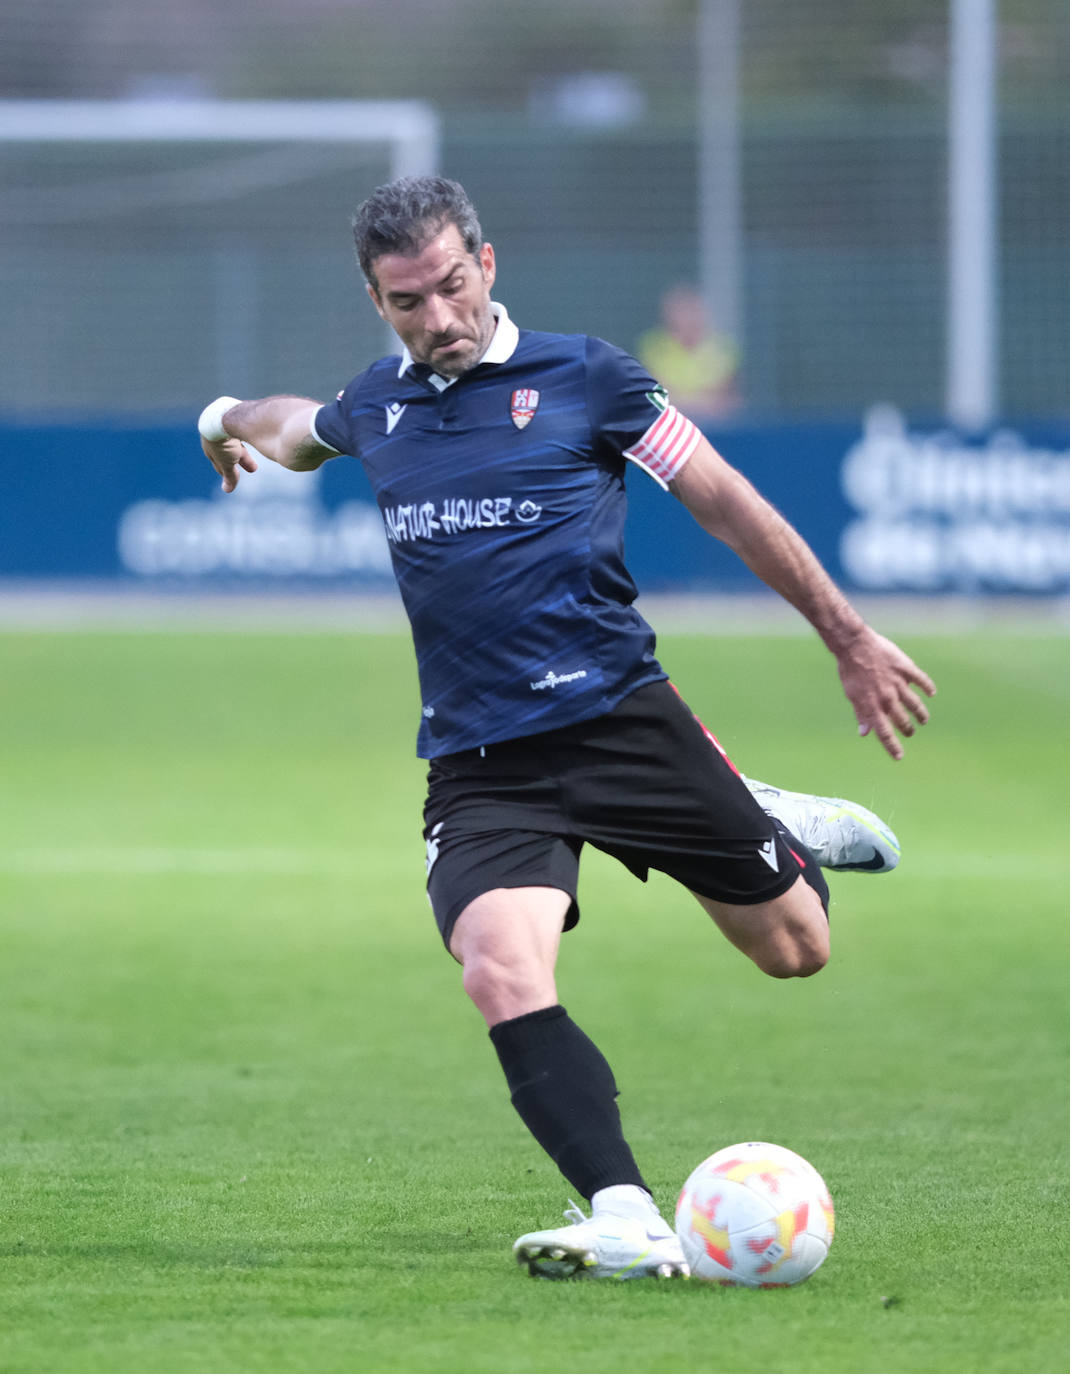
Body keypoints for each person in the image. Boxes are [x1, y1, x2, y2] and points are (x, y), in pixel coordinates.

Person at [196, 176, 935, 1282]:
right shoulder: (376, 404)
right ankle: (625, 1212)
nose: (436, 318)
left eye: (451, 287)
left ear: (485, 267)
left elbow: (723, 496)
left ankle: (757, 816)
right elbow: (291, 431)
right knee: (497, 968)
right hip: (482, 762)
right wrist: (218, 419)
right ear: (375, 301)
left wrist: (845, 635)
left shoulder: (587, 375)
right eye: (407, 302)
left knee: (796, 950)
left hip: (620, 722)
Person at [636, 284, 741, 421]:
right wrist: (701, 403)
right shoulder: (653, 346)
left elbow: (727, 398)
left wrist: (686, 403)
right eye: (681, 311)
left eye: (692, 310)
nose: (687, 317)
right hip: (668, 427)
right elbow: (656, 396)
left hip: (716, 426)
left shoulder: (723, 347)